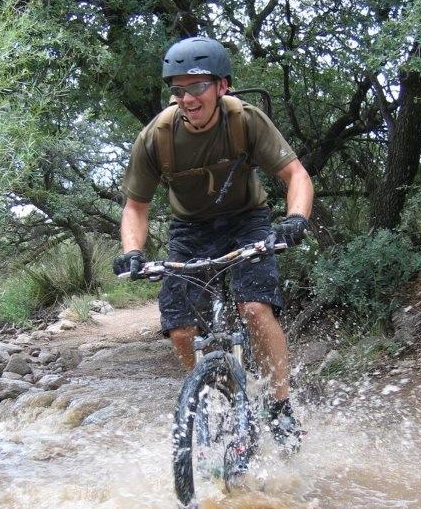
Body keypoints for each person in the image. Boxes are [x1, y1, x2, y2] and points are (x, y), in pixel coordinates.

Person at [114, 37, 313, 444]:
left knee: (255, 308)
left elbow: (296, 175)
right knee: (182, 329)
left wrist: (295, 220)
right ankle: (215, 393)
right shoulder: (157, 137)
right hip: (190, 230)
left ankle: (279, 405)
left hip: (247, 220)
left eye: (197, 87)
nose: (187, 98)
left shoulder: (246, 120)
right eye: (178, 89)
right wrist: (132, 252)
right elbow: (136, 206)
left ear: (222, 86)